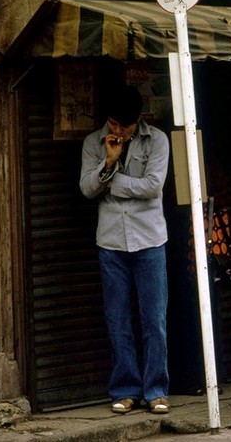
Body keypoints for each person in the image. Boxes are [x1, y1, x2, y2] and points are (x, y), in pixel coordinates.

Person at [79, 84, 171, 414]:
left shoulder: (157, 140)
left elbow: (153, 186)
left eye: (125, 126)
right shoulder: (94, 143)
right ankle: (124, 390)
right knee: (118, 320)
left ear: (138, 120)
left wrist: (112, 182)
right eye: (114, 124)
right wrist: (109, 161)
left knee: (153, 320)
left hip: (150, 241)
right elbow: (87, 189)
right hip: (111, 242)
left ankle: (156, 389)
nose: (118, 131)